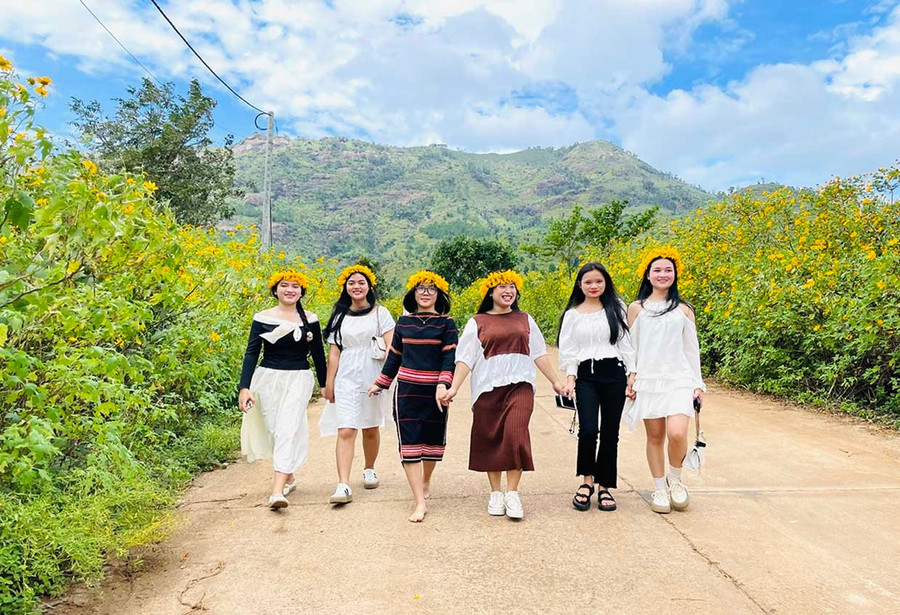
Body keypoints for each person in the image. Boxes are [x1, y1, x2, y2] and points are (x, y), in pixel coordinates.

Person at [443, 270, 565, 520]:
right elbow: (465, 359)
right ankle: (496, 493)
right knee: (490, 437)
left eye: (512, 286)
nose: (508, 291)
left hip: (520, 384)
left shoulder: (525, 319)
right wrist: (454, 388)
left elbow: (539, 353)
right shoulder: (477, 322)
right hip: (487, 388)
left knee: (515, 434)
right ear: (490, 292)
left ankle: (513, 493)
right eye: (502, 287)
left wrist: (555, 381)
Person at [367, 270, 458, 522]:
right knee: (409, 446)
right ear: (413, 293)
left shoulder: (447, 323)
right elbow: (394, 357)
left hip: (436, 394)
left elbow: (449, 357)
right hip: (406, 393)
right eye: (421, 288)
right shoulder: (403, 324)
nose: (425, 293)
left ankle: (426, 480)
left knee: (432, 443)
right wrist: (380, 383)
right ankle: (419, 502)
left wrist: (443, 385)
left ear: (438, 294)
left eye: (431, 288)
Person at [624, 246, 705, 514]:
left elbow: (691, 349)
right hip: (649, 380)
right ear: (647, 275)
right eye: (657, 270)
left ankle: (676, 480)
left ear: (675, 274)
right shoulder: (636, 308)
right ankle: (659, 487)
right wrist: (631, 377)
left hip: (679, 379)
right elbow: (631, 348)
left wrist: (697, 384)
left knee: (677, 433)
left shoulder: (684, 309)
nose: (663, 274)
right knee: (655, 436)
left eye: (668, 270)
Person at [238, 269, 327, 509]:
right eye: (285, 285)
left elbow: (318, 355)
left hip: (298, 378)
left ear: (302, 292)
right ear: (275, 290)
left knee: (287, 429)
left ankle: (277, 492)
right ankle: (288, 476)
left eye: (295, 286)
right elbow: (251, 353)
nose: (290, 290)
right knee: (274, 429)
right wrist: (244, 387)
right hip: (267, 378)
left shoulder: (310, 319)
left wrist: (325, 385)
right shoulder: (262, 317)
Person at [558, 262, 635, 512]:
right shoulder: (572, 314)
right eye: (588, 282)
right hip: (586, 376)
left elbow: (625, 343)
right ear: (579, 284)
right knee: (589, 430)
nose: (593, 286)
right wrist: (570, 379)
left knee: (611, 432)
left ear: (606, 283)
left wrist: (632, 374)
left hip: (614, 373)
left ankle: (605, 486)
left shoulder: (616, 308)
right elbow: (569, 350)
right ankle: (586, 481)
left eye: (598, 281)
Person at [320, 264, 395, 504]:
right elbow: (334, 353)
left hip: (373, 373)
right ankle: (343, 484)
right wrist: (329, 383)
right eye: (351, 283)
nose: (356, 286)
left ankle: (369, 468)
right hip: (346, 376)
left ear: (369, 286)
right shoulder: (339, 316)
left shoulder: (381, 313)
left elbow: (391, 346)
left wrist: (384, 378)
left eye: (361, 282)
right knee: (346, 428)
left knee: (370, 427)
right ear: (345, 287)